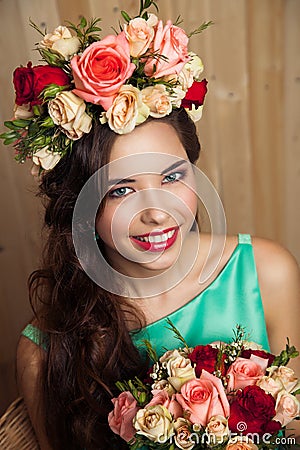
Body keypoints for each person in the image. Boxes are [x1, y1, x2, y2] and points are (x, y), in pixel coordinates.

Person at [1, 3, 299, 450]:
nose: (157, 212)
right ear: (79, 207)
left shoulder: (266, 272)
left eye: (172, 177)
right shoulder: (43, 354)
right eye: (121, 190)